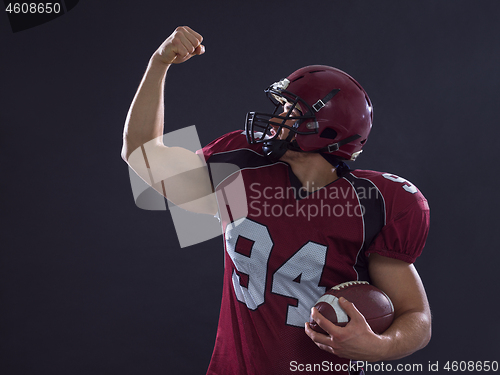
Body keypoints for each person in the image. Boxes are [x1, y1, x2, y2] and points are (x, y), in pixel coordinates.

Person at [121, 26, 432, 375]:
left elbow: (416, 316)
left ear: (327, 129)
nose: (277, 119)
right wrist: (159, 63)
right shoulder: (243, 168)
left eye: (291, 109)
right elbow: (141, 155)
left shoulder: (372, 204)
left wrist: (381, 346)